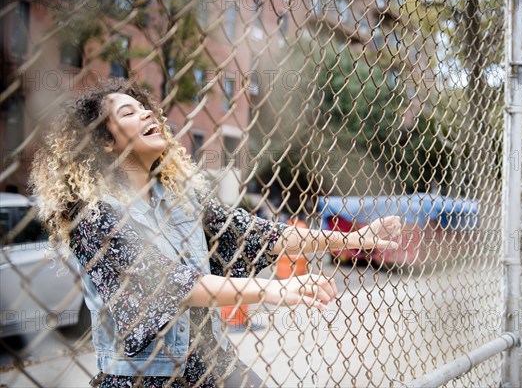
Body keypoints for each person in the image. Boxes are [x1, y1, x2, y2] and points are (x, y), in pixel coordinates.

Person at [29, 78, 401, 387]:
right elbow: (171, 284)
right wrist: (276, 289)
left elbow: (259, 234)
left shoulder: (183, 198)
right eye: (128, 112)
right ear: (105, 141)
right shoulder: (92, 217)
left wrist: (357, 239)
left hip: (213, 367)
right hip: (147, 379)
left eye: (145, 108)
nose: (146, 112)